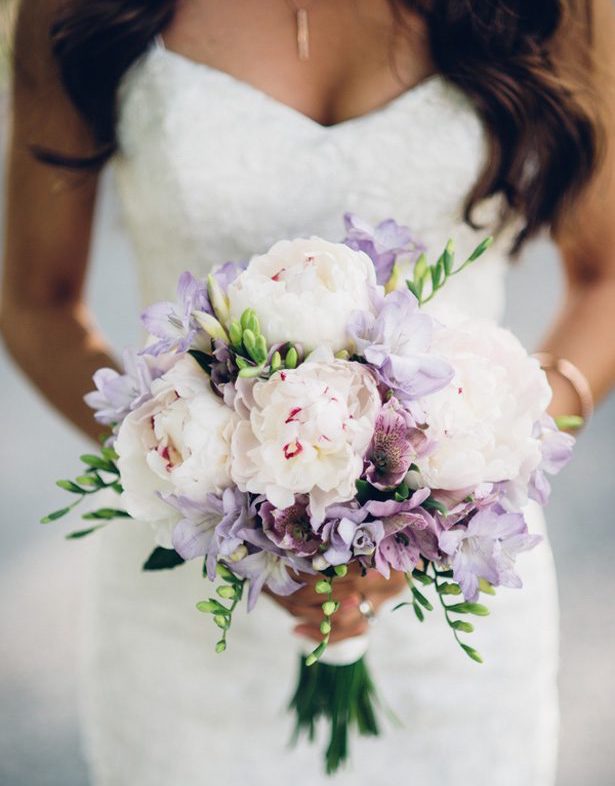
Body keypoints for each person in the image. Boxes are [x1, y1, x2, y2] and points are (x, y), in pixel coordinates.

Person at [1, 1, 614, 784]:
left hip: (456, 589)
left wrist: (480, 468)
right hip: (191, 609)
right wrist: (206, 484)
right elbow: (36, 303)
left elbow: (604, 279)